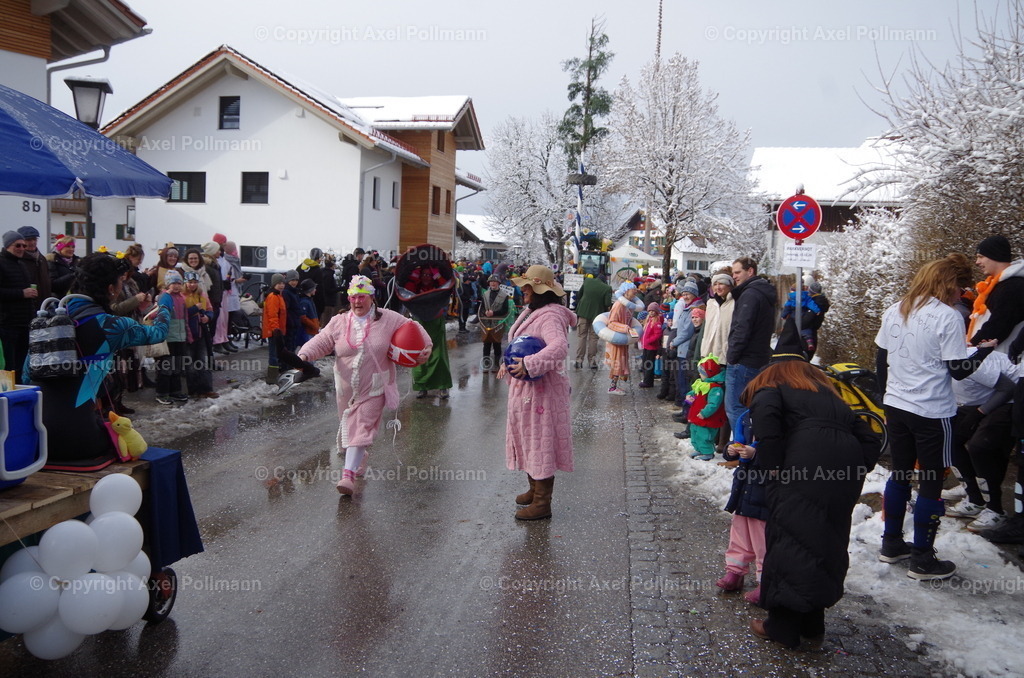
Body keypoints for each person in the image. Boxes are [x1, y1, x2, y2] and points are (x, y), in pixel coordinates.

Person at [742, 356, 883, 649]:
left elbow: (766, 416)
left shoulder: (772, 387)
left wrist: (773, 464)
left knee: (790, 536)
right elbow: (870, 437)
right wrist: (858, 467)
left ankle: (782, 626)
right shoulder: (831, 398)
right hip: (843, 469)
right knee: (825, 539)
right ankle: (812, 624)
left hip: (803, 461)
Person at [875, 258, 997, 580]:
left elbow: (881, 360)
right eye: (961, 288)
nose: (962, 294)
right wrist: (984, 351)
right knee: (931, 479)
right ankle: (923, 559)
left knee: (900, 474)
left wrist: (886, 397)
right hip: (931, 411)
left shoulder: (896, 308)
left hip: (896, 405)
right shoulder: (948, 316)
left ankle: (891, 543)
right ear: (948, 284)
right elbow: (958, 370)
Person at [31, 252, 170, 469]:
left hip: (36, 441)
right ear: (111, 288)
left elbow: (26, 376)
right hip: (82, 441)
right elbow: (158, 333)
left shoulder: (45, 321)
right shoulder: (110, 325)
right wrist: (165, 305)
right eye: (120, 282)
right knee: (129, 441)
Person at [297, 275, 431, 496]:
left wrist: (426, 347)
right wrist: (303, 356)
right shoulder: (339, 321)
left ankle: (347, 475)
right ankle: (359, 457)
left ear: (372, 298)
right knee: (349, 428)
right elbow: (322, 341)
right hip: (346, 388)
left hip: (375, 386)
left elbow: (413, 326)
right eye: (353, 297)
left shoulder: (388, 318)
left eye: (362, 297)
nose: (357, 301)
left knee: (362, 427)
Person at [499, 265, 577, 520]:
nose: (523, 290)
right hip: (529, 390)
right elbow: (520, 344)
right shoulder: (534, 311)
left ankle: (543, 503)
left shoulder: (550, 315)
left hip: (542, 392)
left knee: (540, 441)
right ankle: (534, 490)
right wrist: (509, 363)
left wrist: (530, 364)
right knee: (529, 437)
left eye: (527, 287)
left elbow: (559, 347)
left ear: (539, 290)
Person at [725, 257, 777, 441]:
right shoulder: (762, 292)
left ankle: (741, 449)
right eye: (733, 273)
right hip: (757, 358)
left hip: (744, 360)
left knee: (736, 409)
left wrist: (732, 356)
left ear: (750, 271)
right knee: (747, 408)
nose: (734, 276)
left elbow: (742, 328)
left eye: (737, 272)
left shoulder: (750, 294)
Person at [969, 234, 1024, 352]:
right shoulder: (998, 285)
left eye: (981, 256)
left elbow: (999, 325)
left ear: (995, 255)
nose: (977, 262)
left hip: (1001, 358)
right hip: (992, 357)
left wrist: (971, 346)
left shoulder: (1013, 287)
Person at [0, 231, 38, 380]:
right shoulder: (1, 263)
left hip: (24, 323)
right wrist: (21, 293)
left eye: (23, 245)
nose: (22, 248)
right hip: (8, 323)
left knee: (22, 364)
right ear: (8, 246)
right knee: (9, 365)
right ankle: (8, 391)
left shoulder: (21, 264)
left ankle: (20, 388)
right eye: (17, 245)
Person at [155, 270, 190, 406]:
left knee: (177, 366)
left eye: (179, 283)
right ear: (168, 284)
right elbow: (160, 314)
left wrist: (187, 335)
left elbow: (185, 319)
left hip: (179, 337)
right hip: (168, 337)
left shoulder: (181, 298)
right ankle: (162, 393)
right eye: (173, 283)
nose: (176, 286)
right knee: (166, 366)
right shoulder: (165, 297)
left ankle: (175, 390)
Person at [183, 271, 218, 399]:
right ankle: (193, 390)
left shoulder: (202, 295)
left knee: (202, 361)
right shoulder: (181, 296)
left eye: (194, 282)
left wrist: (208, 317)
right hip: (188, 334)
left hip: (201, 333)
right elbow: (181, 314)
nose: (192, 285)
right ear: (185, 283)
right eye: (190, 282)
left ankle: (206, 389)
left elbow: (210, 310)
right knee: (190, 364)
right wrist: (195, 309)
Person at [684, 354, 726, 459]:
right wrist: (689, 396)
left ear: (709, 374)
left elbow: (714, 404)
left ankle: (707, 452)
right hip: (696, 416)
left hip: (707, 418)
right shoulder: (701, 383)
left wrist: (705, 413)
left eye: (702, 372)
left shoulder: (715, 388)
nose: (699, 374)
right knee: (695, 433)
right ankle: (699, 449)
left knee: (704, 436)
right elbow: (694, 392)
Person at [607, 281, 640, 395]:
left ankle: (615, 385)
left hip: (623, 338)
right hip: (617, 338)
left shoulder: (628, 305)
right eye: (633, 289)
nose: (635, 291)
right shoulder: (619, 305)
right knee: (617, 362)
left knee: (621, 360)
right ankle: (612, 387)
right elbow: (611, 322)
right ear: (626, 291)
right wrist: (626, 328)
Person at [573, 273, 612, 370]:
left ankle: (579, 361)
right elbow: (607, 303)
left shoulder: (587, 281)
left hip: (583, 312)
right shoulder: (607, 288)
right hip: (597, 316)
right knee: (593, 338)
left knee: (582, 336)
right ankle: (592, 362)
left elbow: (579, 294)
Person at [478, 275, 511, 372]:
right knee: (486, 344)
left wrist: (494, 313)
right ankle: (486, 365)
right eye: (491, 281)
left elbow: (505, 310)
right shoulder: (485, 294)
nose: (493, 283)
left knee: (497, 344)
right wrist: (485, 313)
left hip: (498, 322)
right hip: (486, 322)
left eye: (495, 281)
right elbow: (481, 308)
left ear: (498, 283)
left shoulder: (504, 295)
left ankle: (497, 365)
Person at [261, 273, 288, 385]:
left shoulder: (278, 296)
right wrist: (276, 330)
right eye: (279, 283)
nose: (281, 285)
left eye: (283, 283)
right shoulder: (273, 296)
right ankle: (272, 378)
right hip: (274, 331)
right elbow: (273, 315)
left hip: (277, 330)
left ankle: (274, 377)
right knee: (274, 354)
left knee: (276, 353)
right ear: (274, 284)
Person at [16, 226, 51, 309]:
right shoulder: (18, 260)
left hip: (44, 306)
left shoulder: (42, 259)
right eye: (28, 240)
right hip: (25, 307)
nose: (32, 242)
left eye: (35, 239)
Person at [639, 302, 664, 388]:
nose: (651, 312)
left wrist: (648, 340)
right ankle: (646, 379)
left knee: (649, 365)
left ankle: (648, 382)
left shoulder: (657, 322)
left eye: (653, 311)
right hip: (647, 346)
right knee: (645, 364)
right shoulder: (649, 320)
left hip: (651, 347)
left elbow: (657, 335)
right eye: (650, 311)